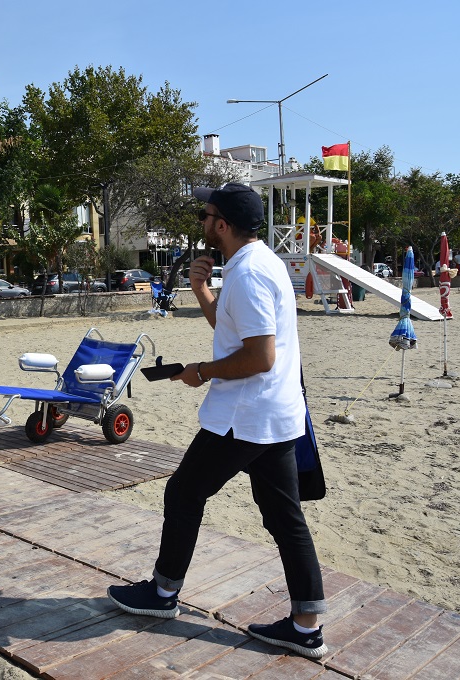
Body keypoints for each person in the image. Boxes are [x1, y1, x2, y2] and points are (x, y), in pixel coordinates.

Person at [105, 183, 329, 659]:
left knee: (183, 493)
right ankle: (306, 625)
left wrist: (201, 372)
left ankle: (163, 593)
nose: (202, 222)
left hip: (243, 417)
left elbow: (260, 357)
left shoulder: (247, 275)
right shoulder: (261, 262)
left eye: (206, 216)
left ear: (222, 225)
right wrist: (202, 290)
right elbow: (235, 334)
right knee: (285, 519)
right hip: (275, 415)